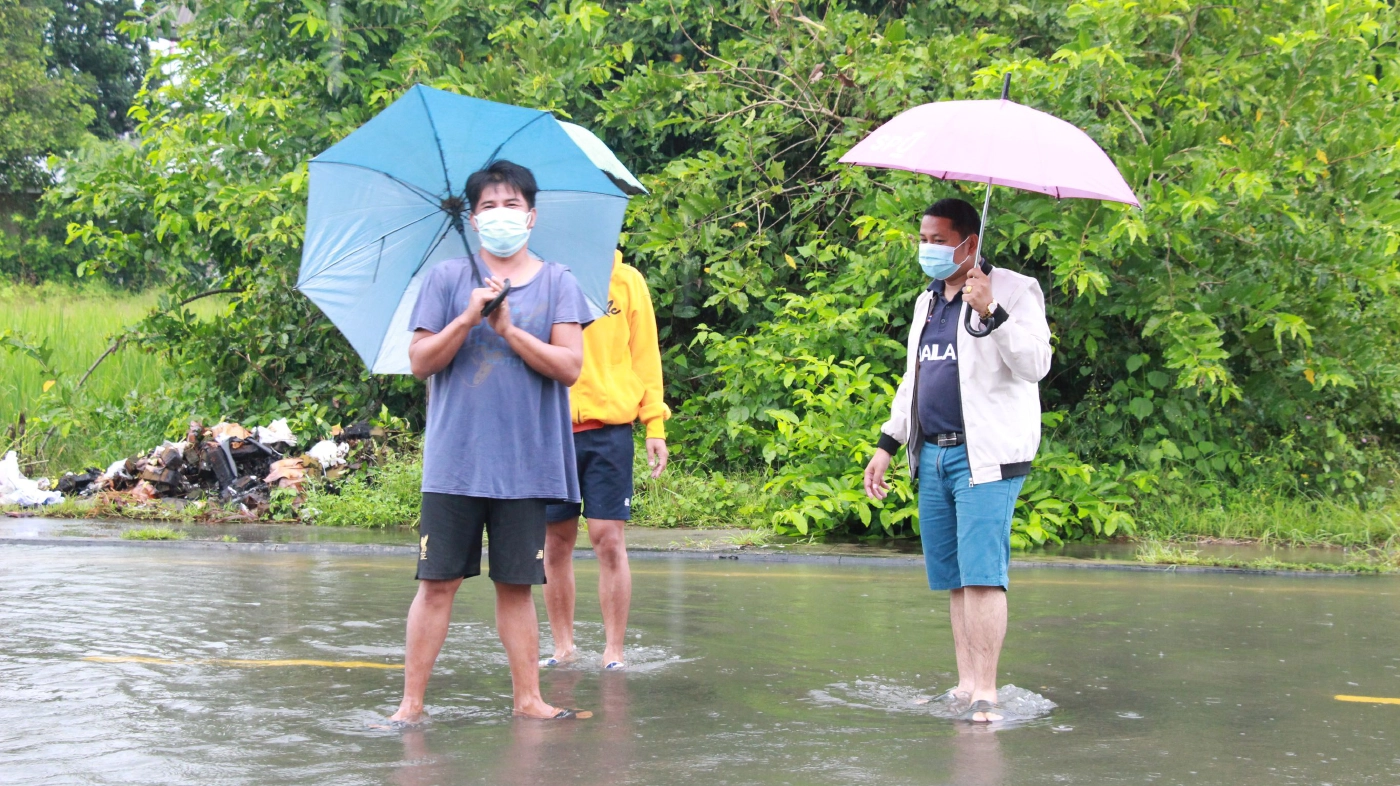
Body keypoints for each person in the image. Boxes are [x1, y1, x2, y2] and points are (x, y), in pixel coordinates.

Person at [386, 160, 595, 724]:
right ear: (473, 219)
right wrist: (466, 320)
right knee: (437, 584)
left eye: (511, 205)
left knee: (516, 587)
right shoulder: (448, 279)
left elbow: (569, 367)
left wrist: (509, 331)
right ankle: (410, 706)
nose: (500, 215)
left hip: (526, 463)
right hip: (455, 463)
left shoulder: (559, 282)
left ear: (531, 215)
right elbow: (420, 363)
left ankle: (529, 699)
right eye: (488, 207)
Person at [863, 197, 1051, 723]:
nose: (928, 249)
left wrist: (993, 311)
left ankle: (988, 690)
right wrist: (887, 444)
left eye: (939, 241)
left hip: (986, 456)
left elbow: (1036, 364)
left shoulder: (1015, 290)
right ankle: (966, 684)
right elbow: (916, 377)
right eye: (923, 239)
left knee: (983, 575)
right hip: (935, 455)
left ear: (970, 242)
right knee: (953, 578)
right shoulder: (928, 302)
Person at [541, 251, 670, 670]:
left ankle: (614, 650)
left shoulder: (628, 280)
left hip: (611, 430)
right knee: (555, 542)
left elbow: (646, 358)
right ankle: (563, 646)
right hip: (553, 428)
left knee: (608, 539)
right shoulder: (544, 277)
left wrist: (655, 425)